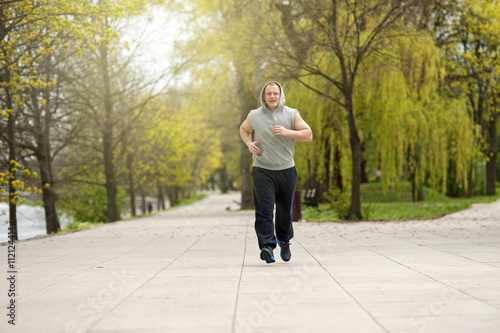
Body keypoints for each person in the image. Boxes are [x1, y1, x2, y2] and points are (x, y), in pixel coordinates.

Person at [239, 81, 313, 264]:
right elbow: (243, 130)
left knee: (284, 211)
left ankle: (284, 240)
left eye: (275, 94)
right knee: (263, 211)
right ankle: (267, 247)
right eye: (269, 94)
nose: (272, 96)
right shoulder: (254, 115)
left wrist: (288, 132)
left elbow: (308, 134)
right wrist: (249, 144)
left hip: (286, 169)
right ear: (264, 96)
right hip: (262, 169)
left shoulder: (291, 114)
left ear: (280, 96)